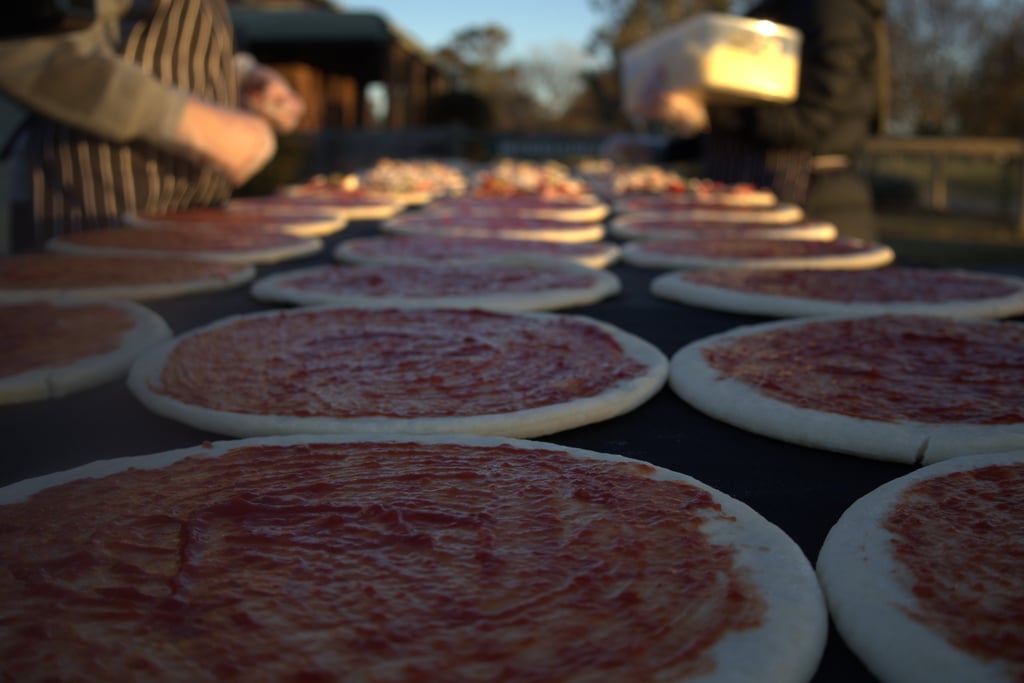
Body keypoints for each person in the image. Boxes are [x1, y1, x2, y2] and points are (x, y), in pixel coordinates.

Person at [0, 0, 305, 251]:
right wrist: (190, 123)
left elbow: (146, 36)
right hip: (101, 219)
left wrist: (239, 74)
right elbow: (28, 47)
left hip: (196, 228)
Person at [612, 0, 887, 240]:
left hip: (809, 204)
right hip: (748, 199)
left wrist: (709, 115)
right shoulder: (770, 10)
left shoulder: (831, 11)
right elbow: (739, 116)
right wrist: (664, 149)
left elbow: (812, 121)